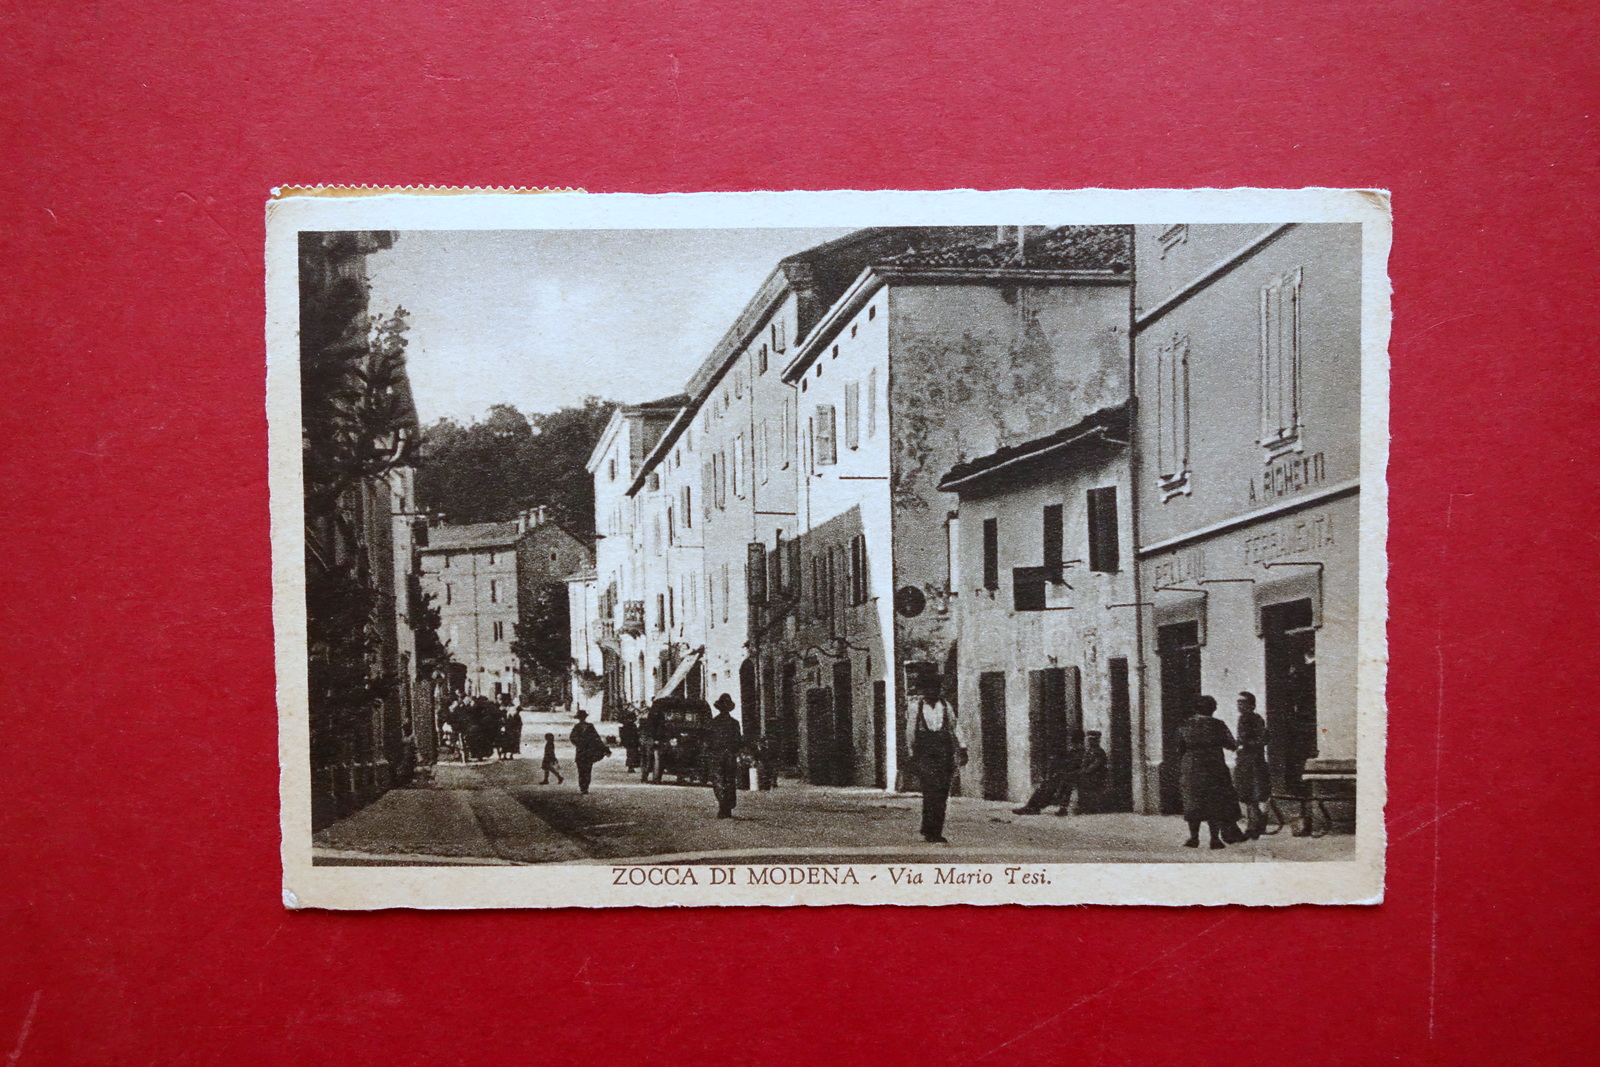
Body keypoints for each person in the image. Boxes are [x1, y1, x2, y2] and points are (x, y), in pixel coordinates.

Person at [1176, 695, 1244, 849]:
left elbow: (1179, 747)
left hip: (1192, 766)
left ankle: (1194, 838)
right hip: (1215, 767)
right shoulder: (1218, 725)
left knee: (1193, 801)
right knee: (1215, 802)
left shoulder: (1185, 725)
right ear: (1213, 709)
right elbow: (1231, 744)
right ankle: (1215, 839)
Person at [909, 680, 960, 843]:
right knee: (930, 789)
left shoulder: (946, 706)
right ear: (923, 690)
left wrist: (962, 747)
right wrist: (911, 754)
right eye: (928, 688)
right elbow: (910, 731)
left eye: (935, 688)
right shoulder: (915, 708)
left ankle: (936, 829)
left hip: (943, 751)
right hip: (925, 752)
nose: (932, 692)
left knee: (942, 791)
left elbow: (954, 727)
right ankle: (929, 829)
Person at [1012, 731, 1086, 815]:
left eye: (1076, 743)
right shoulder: (1074, 751)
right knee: (1044, 786)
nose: (1075, 745)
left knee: (1048, 788)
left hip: (1069, 776)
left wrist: (1061, 773)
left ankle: (1033, 807)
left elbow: (1075, 766)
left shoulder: (1080, 753)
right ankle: (1031, 806)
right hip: (1064, 775)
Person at [1232, 692, 1270, 839]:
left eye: (1243, 703)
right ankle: (1256, 825)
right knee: (1249, 793)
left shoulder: (1251, 719)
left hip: (1252, 761)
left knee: (1250, 793)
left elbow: (1263, 738)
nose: (1239, 706)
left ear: (1251, 705)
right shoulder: (1247, 718)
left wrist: (1244, 745)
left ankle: (1254, 826)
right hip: (1247, 760)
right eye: (1238, 703)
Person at [707, 693, 744, 818]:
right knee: (729, 780)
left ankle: (723, 805)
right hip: (730, 755)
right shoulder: (734, 723)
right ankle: (727, 806)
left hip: (716, 755)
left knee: (718, 780)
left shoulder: (713, 723)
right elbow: (739, 741)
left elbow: (708, 741)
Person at [1068, 731, 1110, 816]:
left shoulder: (1099, 751)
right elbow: (1084, 763)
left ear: (1098, 741)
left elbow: (1096, 764)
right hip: (1088, 775)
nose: (1091, 742)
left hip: (1096, 776)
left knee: (1090, 789)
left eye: (1093, 740)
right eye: (1089, 739)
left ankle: (1090, 808)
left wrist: (1085, 771)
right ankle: (1082, 806)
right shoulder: (1088, 751)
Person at [569, 709, 610, 795]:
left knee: (581, 771)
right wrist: (605, 749)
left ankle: (582, 787)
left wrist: (579, 744)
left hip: (580, 751)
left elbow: (572, 738)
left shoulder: (577, 727)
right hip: (589, 752)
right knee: (587, 770)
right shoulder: (590, 726)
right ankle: (585, 787)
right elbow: (597, 739)